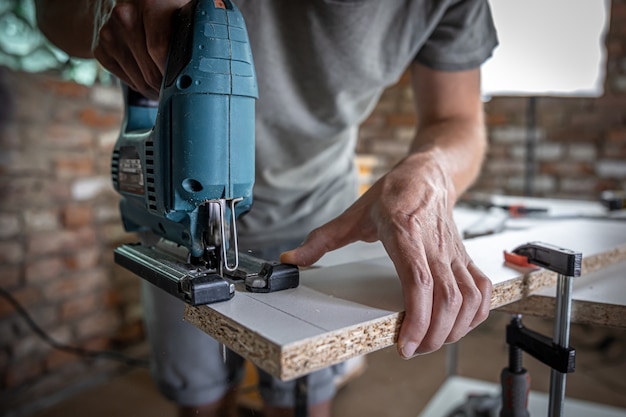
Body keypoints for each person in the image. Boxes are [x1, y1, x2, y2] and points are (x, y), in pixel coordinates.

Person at [35, 1, 498, 416]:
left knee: (303, 396)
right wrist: (103, 8)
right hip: (176, 230)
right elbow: (50, 14)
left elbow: (456, 120)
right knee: (199, 397)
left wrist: (431, 170)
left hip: (321, 222)